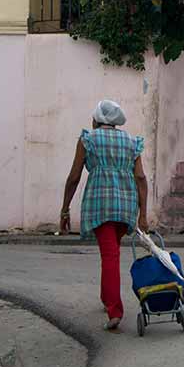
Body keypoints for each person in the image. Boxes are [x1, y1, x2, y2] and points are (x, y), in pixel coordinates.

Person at [59, 100, 149, 332]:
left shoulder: (88, 139)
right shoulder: (131, 142)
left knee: (110, 255)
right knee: (111, 251)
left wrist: (65, 208)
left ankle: (115, 310)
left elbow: (74, 177)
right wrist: (143, 215)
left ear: (96, 120)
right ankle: (105, 297)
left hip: (100, 205)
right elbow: (140, 177)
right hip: (126, 206)